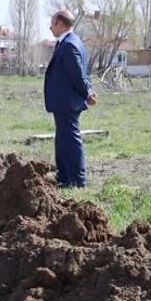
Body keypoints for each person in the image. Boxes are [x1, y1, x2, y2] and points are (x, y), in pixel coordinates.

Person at [44, 10, 98, 188]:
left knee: (71, 141)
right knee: (63, 139)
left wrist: (87, 93)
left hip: (67, 103)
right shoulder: (72, 42)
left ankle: (77, 180)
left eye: (52, 23)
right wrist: (87, 90)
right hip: (64, 103)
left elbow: (77, 74)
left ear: (59, 23)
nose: (49, 27)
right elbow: (82, 72)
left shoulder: (68, 45)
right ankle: (64, 177)